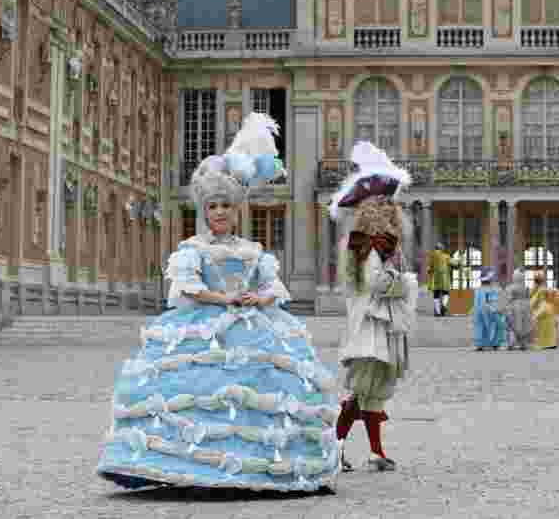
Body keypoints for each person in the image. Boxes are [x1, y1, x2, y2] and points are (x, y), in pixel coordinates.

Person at [97, 114, 340, 493]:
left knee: (258, 390)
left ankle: (253, 467)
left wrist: (257, 298)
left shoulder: (252, 249)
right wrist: (223, 298)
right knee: (201, 392)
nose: (220, 212)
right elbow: (186, 288)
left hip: (253, 326)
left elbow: (274, 286)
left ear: (237, 208)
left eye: (226, 205)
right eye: (213, 206)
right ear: (204, 210)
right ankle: (192, 464)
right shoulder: (192, 250)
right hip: (203, 328)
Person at [330, 141, 419, 473]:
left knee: (374, 393)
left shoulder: (382, 247)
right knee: (361, 391)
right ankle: (334, 448)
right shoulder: (367, 247)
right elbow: (377, 284)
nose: (390, 210)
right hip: (370, 328)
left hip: (383, 326)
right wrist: (406, 282)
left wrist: (397, 275)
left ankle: (376, 452)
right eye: (384, 205)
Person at [472, 267, 504, 351]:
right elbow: (498, 301)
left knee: (480, 327)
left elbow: (476, 304)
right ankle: (495, 343)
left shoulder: (478, 290)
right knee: (497, 326)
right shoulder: (495, 289)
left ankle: (480, 344)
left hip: (481, 311)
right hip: (491, 310)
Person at [502, 268, 534, 351]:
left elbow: (508, 299)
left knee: (512, 326)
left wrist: (506, 309)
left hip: (514, 307)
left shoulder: (510, 287)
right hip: (525, 307)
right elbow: (529, 297)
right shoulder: (526, 288)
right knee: (524, 326)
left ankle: (511, 343)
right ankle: (523, 344)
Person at [530, 273, 559, 350]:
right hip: (549, 308)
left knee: (541, 326)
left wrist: (530, 307)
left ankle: (542, 343)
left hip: (542, 308)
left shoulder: (537, 290)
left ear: (535, 281)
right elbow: (557, 293)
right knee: (549, 326)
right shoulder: (545, 288)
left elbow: (534, 300)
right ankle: (552, 343)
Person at [426, 242, 451, 317]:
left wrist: (430, 271)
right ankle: (443, 305)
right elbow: (453, 263)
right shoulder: (446, 256)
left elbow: (429, 268)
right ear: (442, 249)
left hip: (435, 278)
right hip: (444, 278)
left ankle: (437, 312)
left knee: (436, 295)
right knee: (446, 293)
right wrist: (459, 263)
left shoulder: (432, 256)